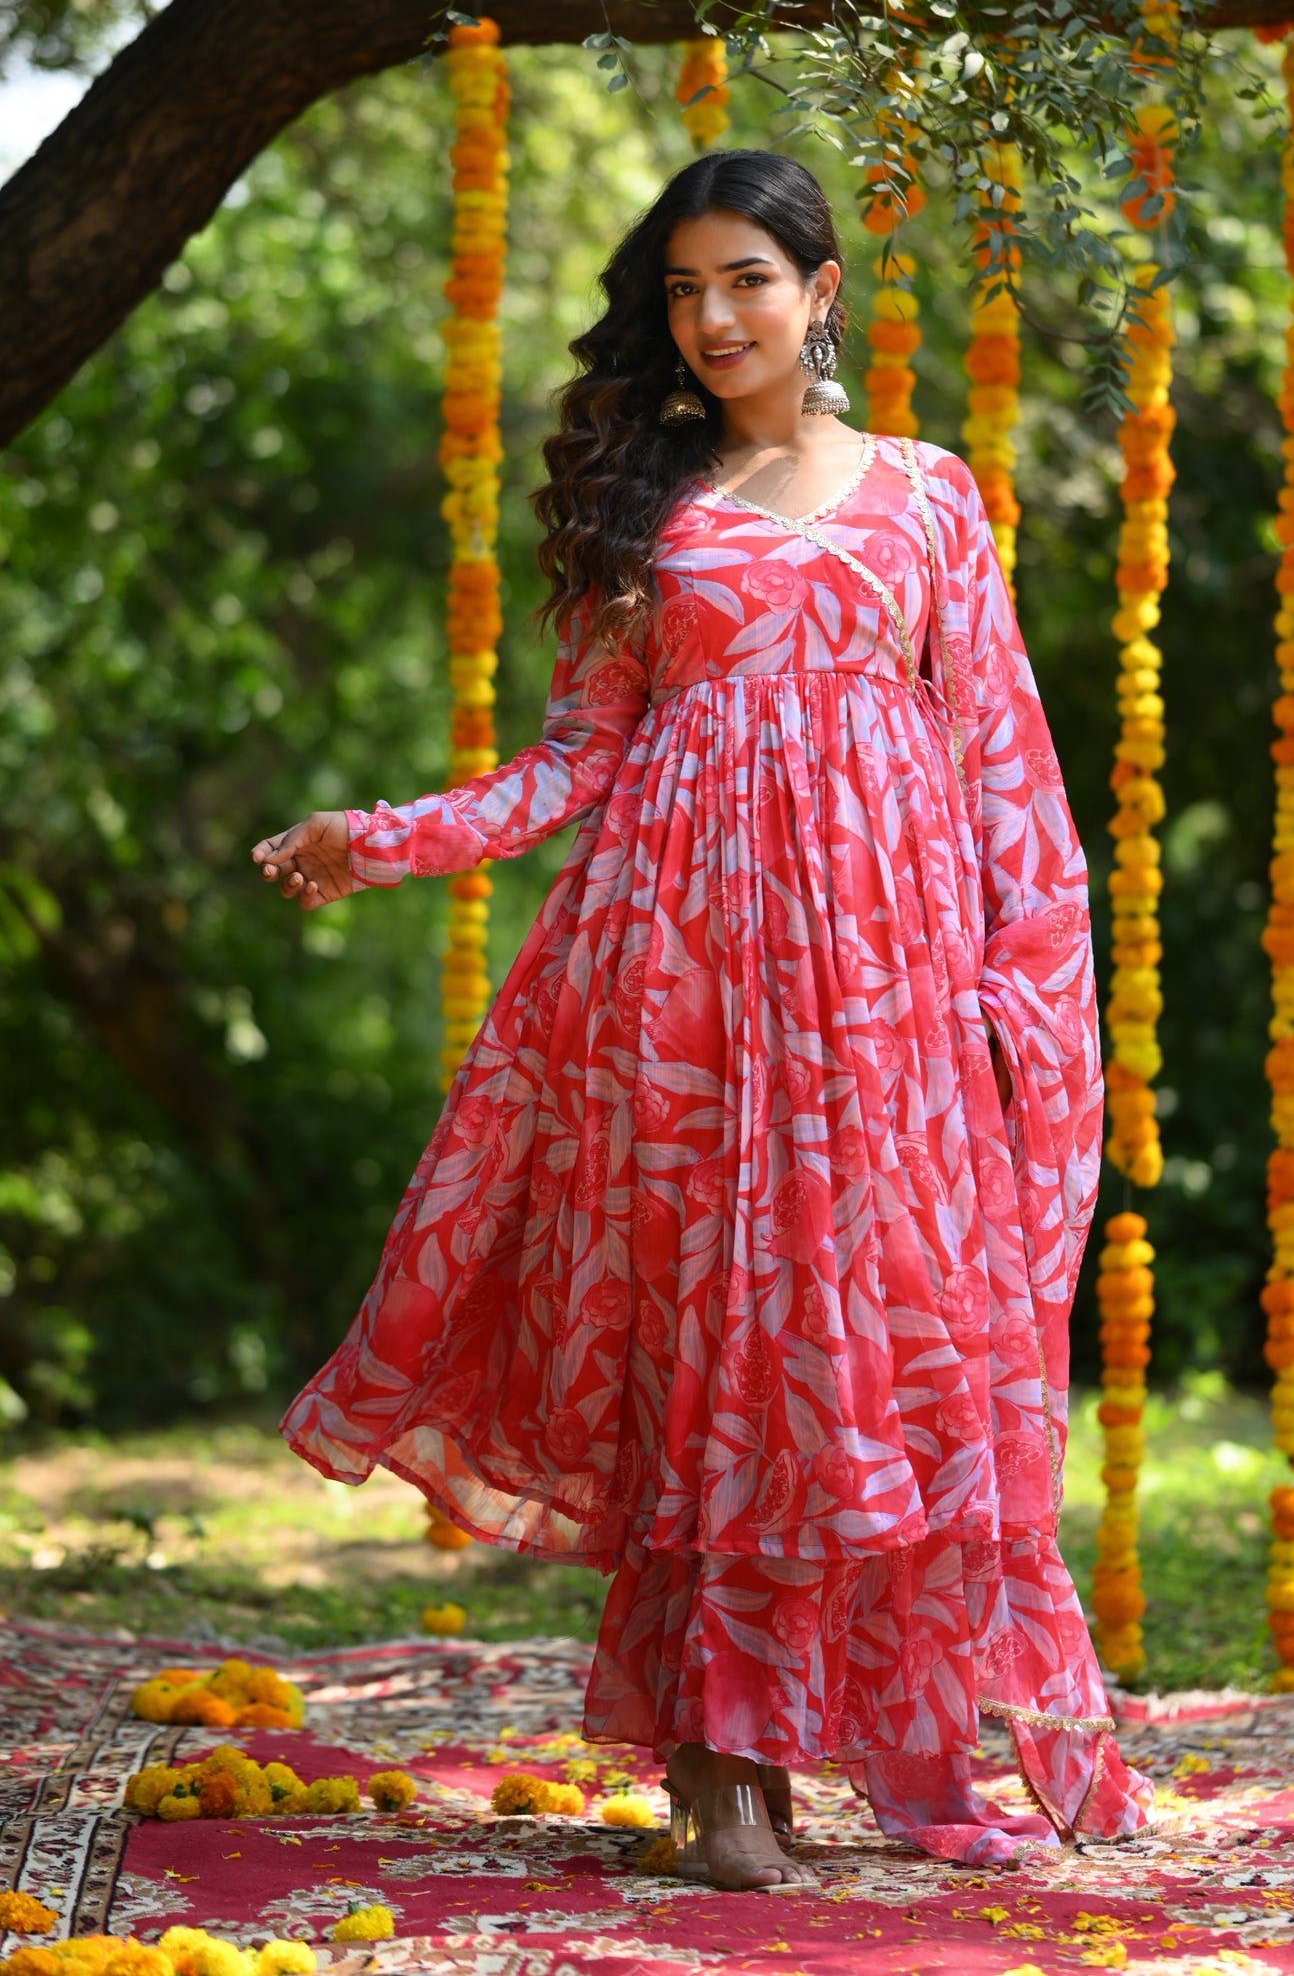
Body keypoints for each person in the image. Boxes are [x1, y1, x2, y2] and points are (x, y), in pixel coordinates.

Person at [253, 150, 1152, 1887]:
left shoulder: (926, 496)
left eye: (745, 277)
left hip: (885, 999)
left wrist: (1015, 994)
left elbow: (1003, 771)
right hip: (674, 985)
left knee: (876, 1348)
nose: (711, 314)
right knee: (720, 1347)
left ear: (821, 292)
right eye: (682, 289)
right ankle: (721, 1768)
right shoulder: (645, 506)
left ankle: (908, 1745)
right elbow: (580, 757)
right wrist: (386, 842)